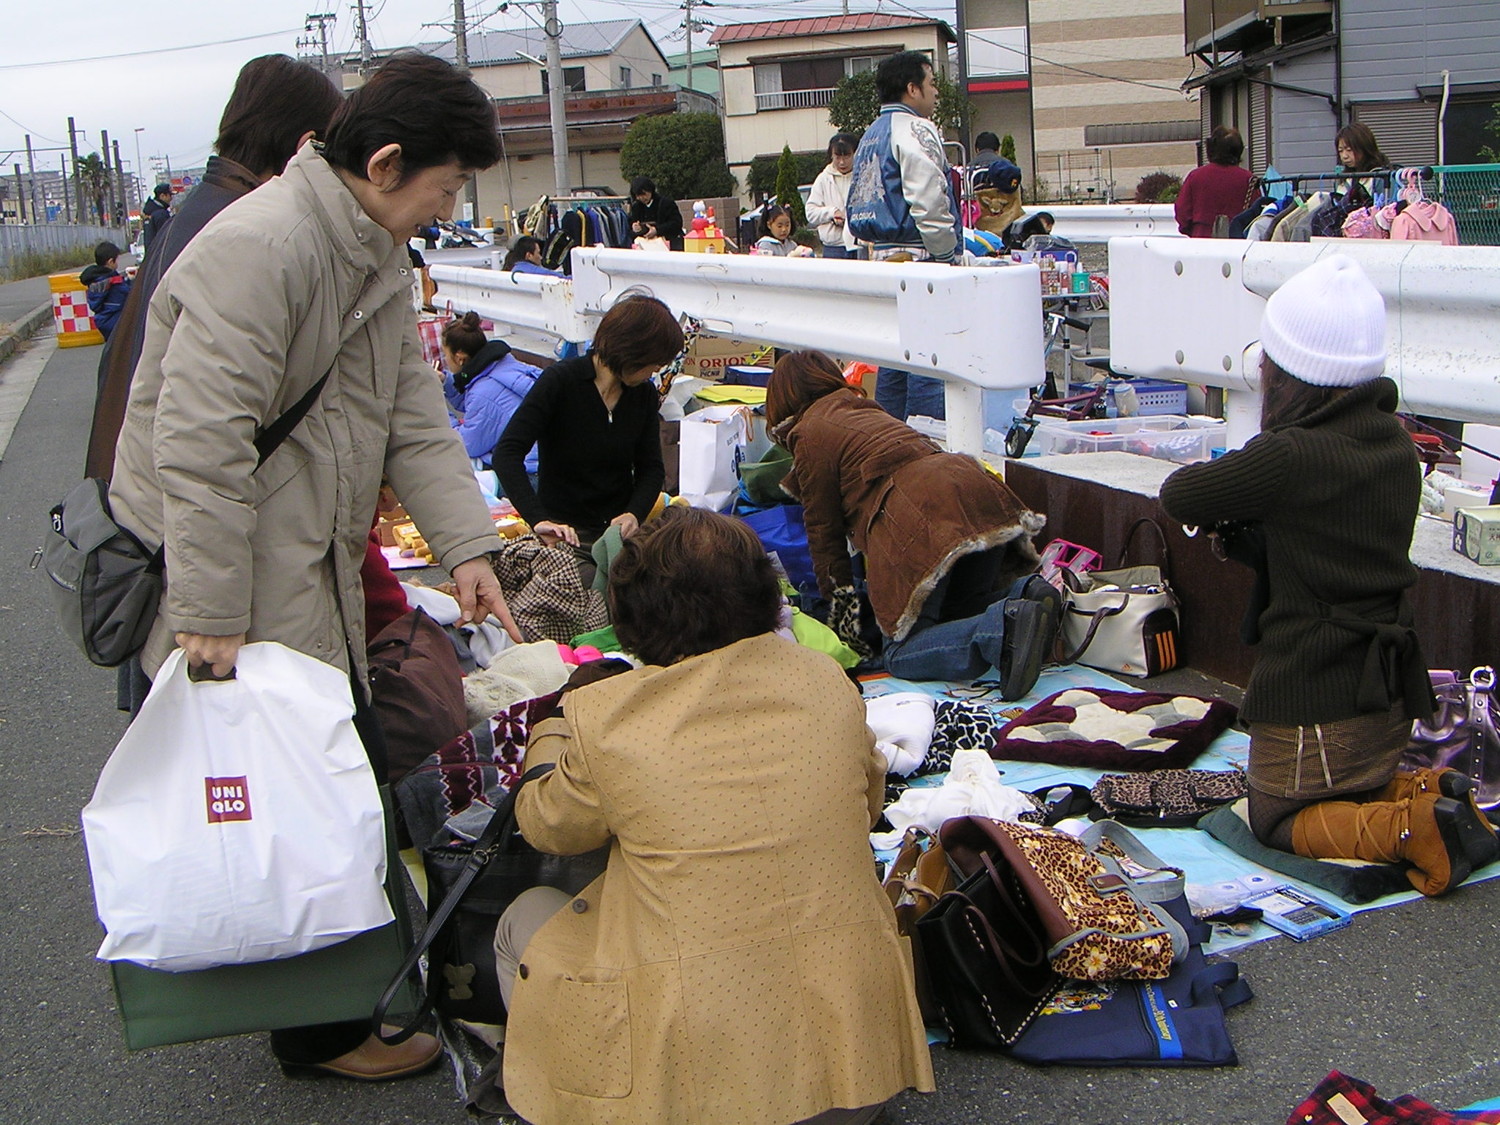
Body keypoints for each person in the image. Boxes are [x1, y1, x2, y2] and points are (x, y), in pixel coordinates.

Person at [108, 51, 524, 1080]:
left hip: (301, 551)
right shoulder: (261, 248)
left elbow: (413, 418)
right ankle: (320, 1029)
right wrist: (211, 608)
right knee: (291, 787)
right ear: (385, 164)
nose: (447, 208)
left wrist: (468, 548)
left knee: (322, 776)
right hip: (241, 568)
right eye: (445, 187)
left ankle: (341, 1005)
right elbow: (199, 443)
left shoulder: (366, 250)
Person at [495, 507, 935, 1125]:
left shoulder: (608, 716)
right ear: (764, 595)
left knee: (525, 918)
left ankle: (576, 1094)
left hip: (694, 1095)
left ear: (632, 612)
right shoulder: (828, 681)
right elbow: (864, 809)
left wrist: (552, 730)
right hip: (854, 1078)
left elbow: (548, 827)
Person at [1160, 255, 1495, 896]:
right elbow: (1333, 544)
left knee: (1274, 818)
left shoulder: (1289, 455)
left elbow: (1181, 494)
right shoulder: (1395, 446)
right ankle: (1434, 792)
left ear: (1289, 371)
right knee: (1353, 787)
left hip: (1316, 692)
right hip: (1388, 691)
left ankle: (1413, 826)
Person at [87, 54, 343, 480]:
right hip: (174, 501)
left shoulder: (194, 215)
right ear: (305, 145)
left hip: (126, 484)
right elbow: (212, 439)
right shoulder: (247, 236)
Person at [766, 350, 1059, 691]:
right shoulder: (863, 407)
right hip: (977, 488)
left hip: (922, 510)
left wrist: (839, 608)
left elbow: (823, 533)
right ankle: (1025, 595)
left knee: (900, 654)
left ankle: (1002, 629)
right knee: (957, 612)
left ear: (783, 398)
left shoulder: (809, 432)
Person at [492, 294, 680, 554]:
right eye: (654, 364)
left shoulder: (643, 394)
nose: (654, 372)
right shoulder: (560, 382)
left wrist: (633, 514)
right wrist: (538, 519)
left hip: (617, 535)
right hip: (564, 534)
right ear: (633, 352)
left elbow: (651, 468)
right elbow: (507, 453)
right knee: (591, 578)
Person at [846, 51, 961, 422]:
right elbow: (930, 201)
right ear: (913, 89)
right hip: (919, 254)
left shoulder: (871, 133)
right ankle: (928, 441)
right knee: (928, 360)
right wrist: (947, 255)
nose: (935, 93)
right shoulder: (916, 129)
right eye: (931, 84)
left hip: (881, 254)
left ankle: (889, 436)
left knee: (894, 360)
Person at [441, 310, 542, 472]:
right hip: (548, 456)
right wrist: (445, 382)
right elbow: (474, 405)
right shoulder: (504, 364)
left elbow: (466, 445)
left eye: (445, 354)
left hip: (530, 469)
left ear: (459, 358)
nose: (445, 360)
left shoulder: (482, 392)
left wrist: (438, 408)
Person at [1174, 125, 1254, 238]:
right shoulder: (1248, 179)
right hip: (1238, 241)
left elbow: (1182, 211)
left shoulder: (1196, 177)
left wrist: (1194, 230)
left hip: (1201, 238)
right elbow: (1256, 214)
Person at [805, 132, 858, 258]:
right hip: (833, 247)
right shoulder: (823, 179)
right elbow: (810, 212)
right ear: (831, 155)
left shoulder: (863, 176)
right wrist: (831, 213)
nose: (842, 162)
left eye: (847, 156)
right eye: (837, 157)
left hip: (859, 245)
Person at [79, 241, 131, 340]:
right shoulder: (112, 281)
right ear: (111, 262)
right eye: (117, 260)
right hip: (115, 322)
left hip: (104, 321)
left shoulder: (97, 279)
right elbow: (128, 293)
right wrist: (132, 281)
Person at [627, 175, 685, 251]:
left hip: (667, 244)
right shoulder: (636, 207)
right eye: (638, 195)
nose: (641, 198)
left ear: (650, 190)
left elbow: (676, 223)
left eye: (644, 194)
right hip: (645, 245)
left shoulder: (666, 203)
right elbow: (630, 226)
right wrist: (635, 227)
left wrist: (657, 230)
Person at [140, 182, 173, 254]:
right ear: (162, 196)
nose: (171, 198)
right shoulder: (161, 214)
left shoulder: (149, 212)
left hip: (151, 254)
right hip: (161, 254)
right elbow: (166, 237)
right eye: (170, 195)